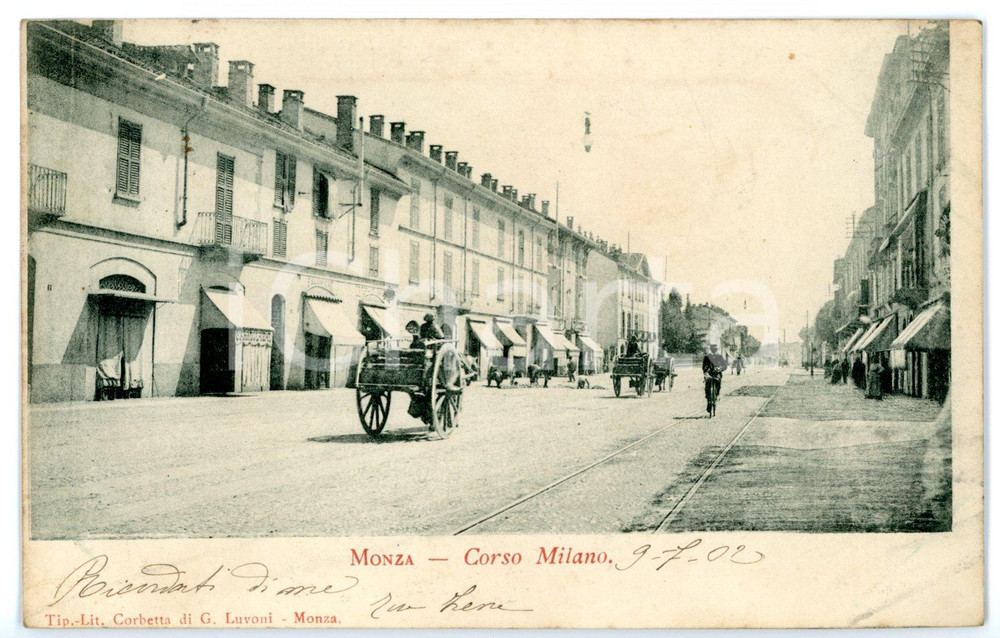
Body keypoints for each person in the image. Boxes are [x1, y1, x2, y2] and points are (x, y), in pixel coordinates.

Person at [702, 343, 728, 414]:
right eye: (713, 349)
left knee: (718, 383)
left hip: (717, 374)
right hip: (709, 373)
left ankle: (717, 395)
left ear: (717, 350)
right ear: (711, 349)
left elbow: (725, 365)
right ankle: (708, 401)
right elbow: (704, 366)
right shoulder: (707, 357)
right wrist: (706, 370)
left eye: (715, 349)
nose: (714, 350)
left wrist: (720, 368)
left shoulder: (720, 357)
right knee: (707, 386)